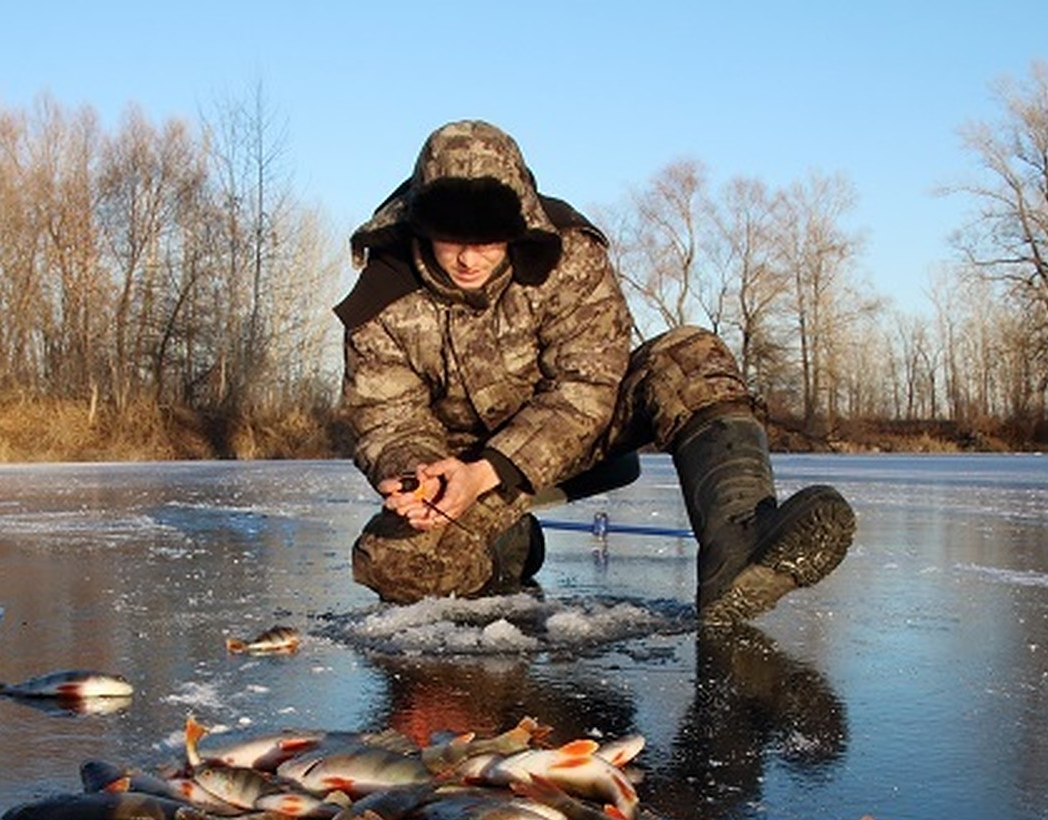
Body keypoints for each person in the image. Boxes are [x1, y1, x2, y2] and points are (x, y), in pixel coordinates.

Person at [333, 119, 855, 623]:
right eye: (451, 238)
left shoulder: (571, 256)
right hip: (463, 472)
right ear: (422, 226)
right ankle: (505, 545)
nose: (469, 258)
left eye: (489, 239)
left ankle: (738, 539)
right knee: (396, 565)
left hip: (581, 439)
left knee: (690, 356)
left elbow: (587, 386)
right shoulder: (382, 294)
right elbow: (388, 420)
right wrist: (420, 479)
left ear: (518, 228)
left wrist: (489, 470)